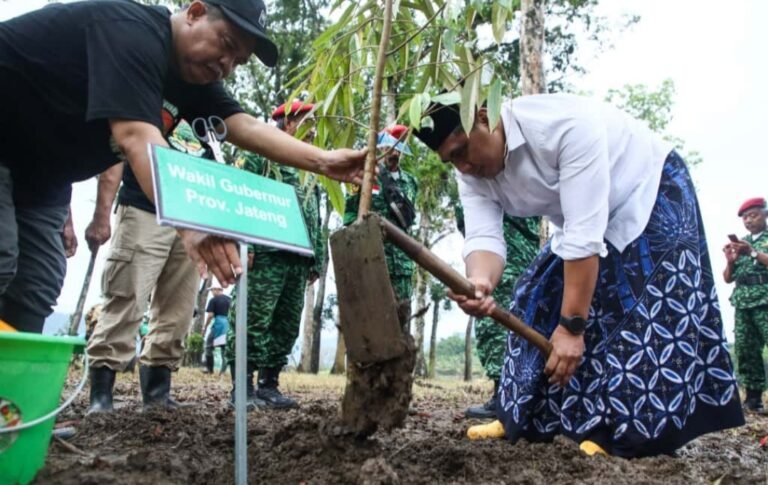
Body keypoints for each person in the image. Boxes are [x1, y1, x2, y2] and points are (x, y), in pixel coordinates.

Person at [0, 0, 366, 333]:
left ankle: (11, 398)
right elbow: (136, 136)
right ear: (194, 12)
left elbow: (244, 125)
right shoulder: (132, 31)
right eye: (226, 44)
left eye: (237, 61)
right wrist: (190, 224)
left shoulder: (189, 78)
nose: (226, 66)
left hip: (39, 175)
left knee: (37, 282)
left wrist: (324, 161)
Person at [412, 93, 744, 458]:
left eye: (461, 151)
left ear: (482, 116)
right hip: (580, 221)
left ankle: (620, 435)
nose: (462, 167)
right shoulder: (472, 173)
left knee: (633, 307)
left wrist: (571, 328)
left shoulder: (564, 127)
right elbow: (484, 238)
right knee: (534, 296)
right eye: (450, 160)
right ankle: (525, 417)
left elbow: (584, 240)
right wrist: (479, 281)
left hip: (647, 191)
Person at [85, 121, 210, 413]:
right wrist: (101, 214)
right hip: (143, 210)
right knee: (127, 299)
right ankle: (101, 394)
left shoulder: (208, 111)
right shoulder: (152, 97)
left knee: (178, 309)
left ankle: (157, 393)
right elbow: (116, 157)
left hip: (191, 217)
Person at [225, 101, 322, 409]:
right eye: (306, 121)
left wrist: (316, 257)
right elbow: (238, 192)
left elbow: (314, 212)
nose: (313, 129)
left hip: (298, 256)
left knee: (286, 323)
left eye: (315, 122)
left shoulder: (310, 164)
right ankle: (242, 388)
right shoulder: (259, 153)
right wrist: (245, 244)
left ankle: (270, 384)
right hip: (266, 253)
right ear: (287, 123)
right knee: (253, 318)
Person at [455, 207, 540, 419]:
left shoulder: (495, 184)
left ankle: (505, 398)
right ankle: (512, 395)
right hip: (516, 252)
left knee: (496, 326)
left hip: (504, 253)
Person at [343, 124, 419, 330]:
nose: (394, 152)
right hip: (374, 260)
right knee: (372, 323)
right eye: (390, 146)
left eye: (398, 147)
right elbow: (350, 216)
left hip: (402, 265)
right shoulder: (366, 177)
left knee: (401, 323)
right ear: (380, 148)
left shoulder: (410, 182)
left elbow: (410, 222)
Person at [723, 197, 768, 414]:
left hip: (765, 300)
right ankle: (753, 399)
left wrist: (752, 252)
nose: (749, 221)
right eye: (745, 218)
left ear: (765, 214)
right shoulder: (742, 243)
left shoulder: (756, 244)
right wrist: (731, 260)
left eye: (754, 215)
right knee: (745, 349)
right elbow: (727, 279)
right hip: (743, 302)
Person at [203, 285, 231, 374]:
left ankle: (209, 369)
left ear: (217, 290)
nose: (211, 292)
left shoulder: (213, 300)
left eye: (212, 290)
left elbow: (210, 315)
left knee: (208, 346)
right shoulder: (230, 299)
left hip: (218, 324)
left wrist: (205, 327)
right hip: (229, 325)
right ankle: (222, 372)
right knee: (224, 348)